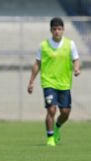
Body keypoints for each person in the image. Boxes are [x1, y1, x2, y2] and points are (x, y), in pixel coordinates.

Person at [27, 17, 80, 146]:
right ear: (51, 30)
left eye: (59, 29)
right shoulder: (44, 45)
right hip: (48, 82)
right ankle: (50, 137)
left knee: (65, 113)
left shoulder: (70, 44)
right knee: (51, 110)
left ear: (63, 30)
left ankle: (57, 126)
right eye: (54, 29)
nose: (57, 31)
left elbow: (76, 59)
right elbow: (37, 64)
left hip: (65, 84)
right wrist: (31, 81)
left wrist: (76, 69)